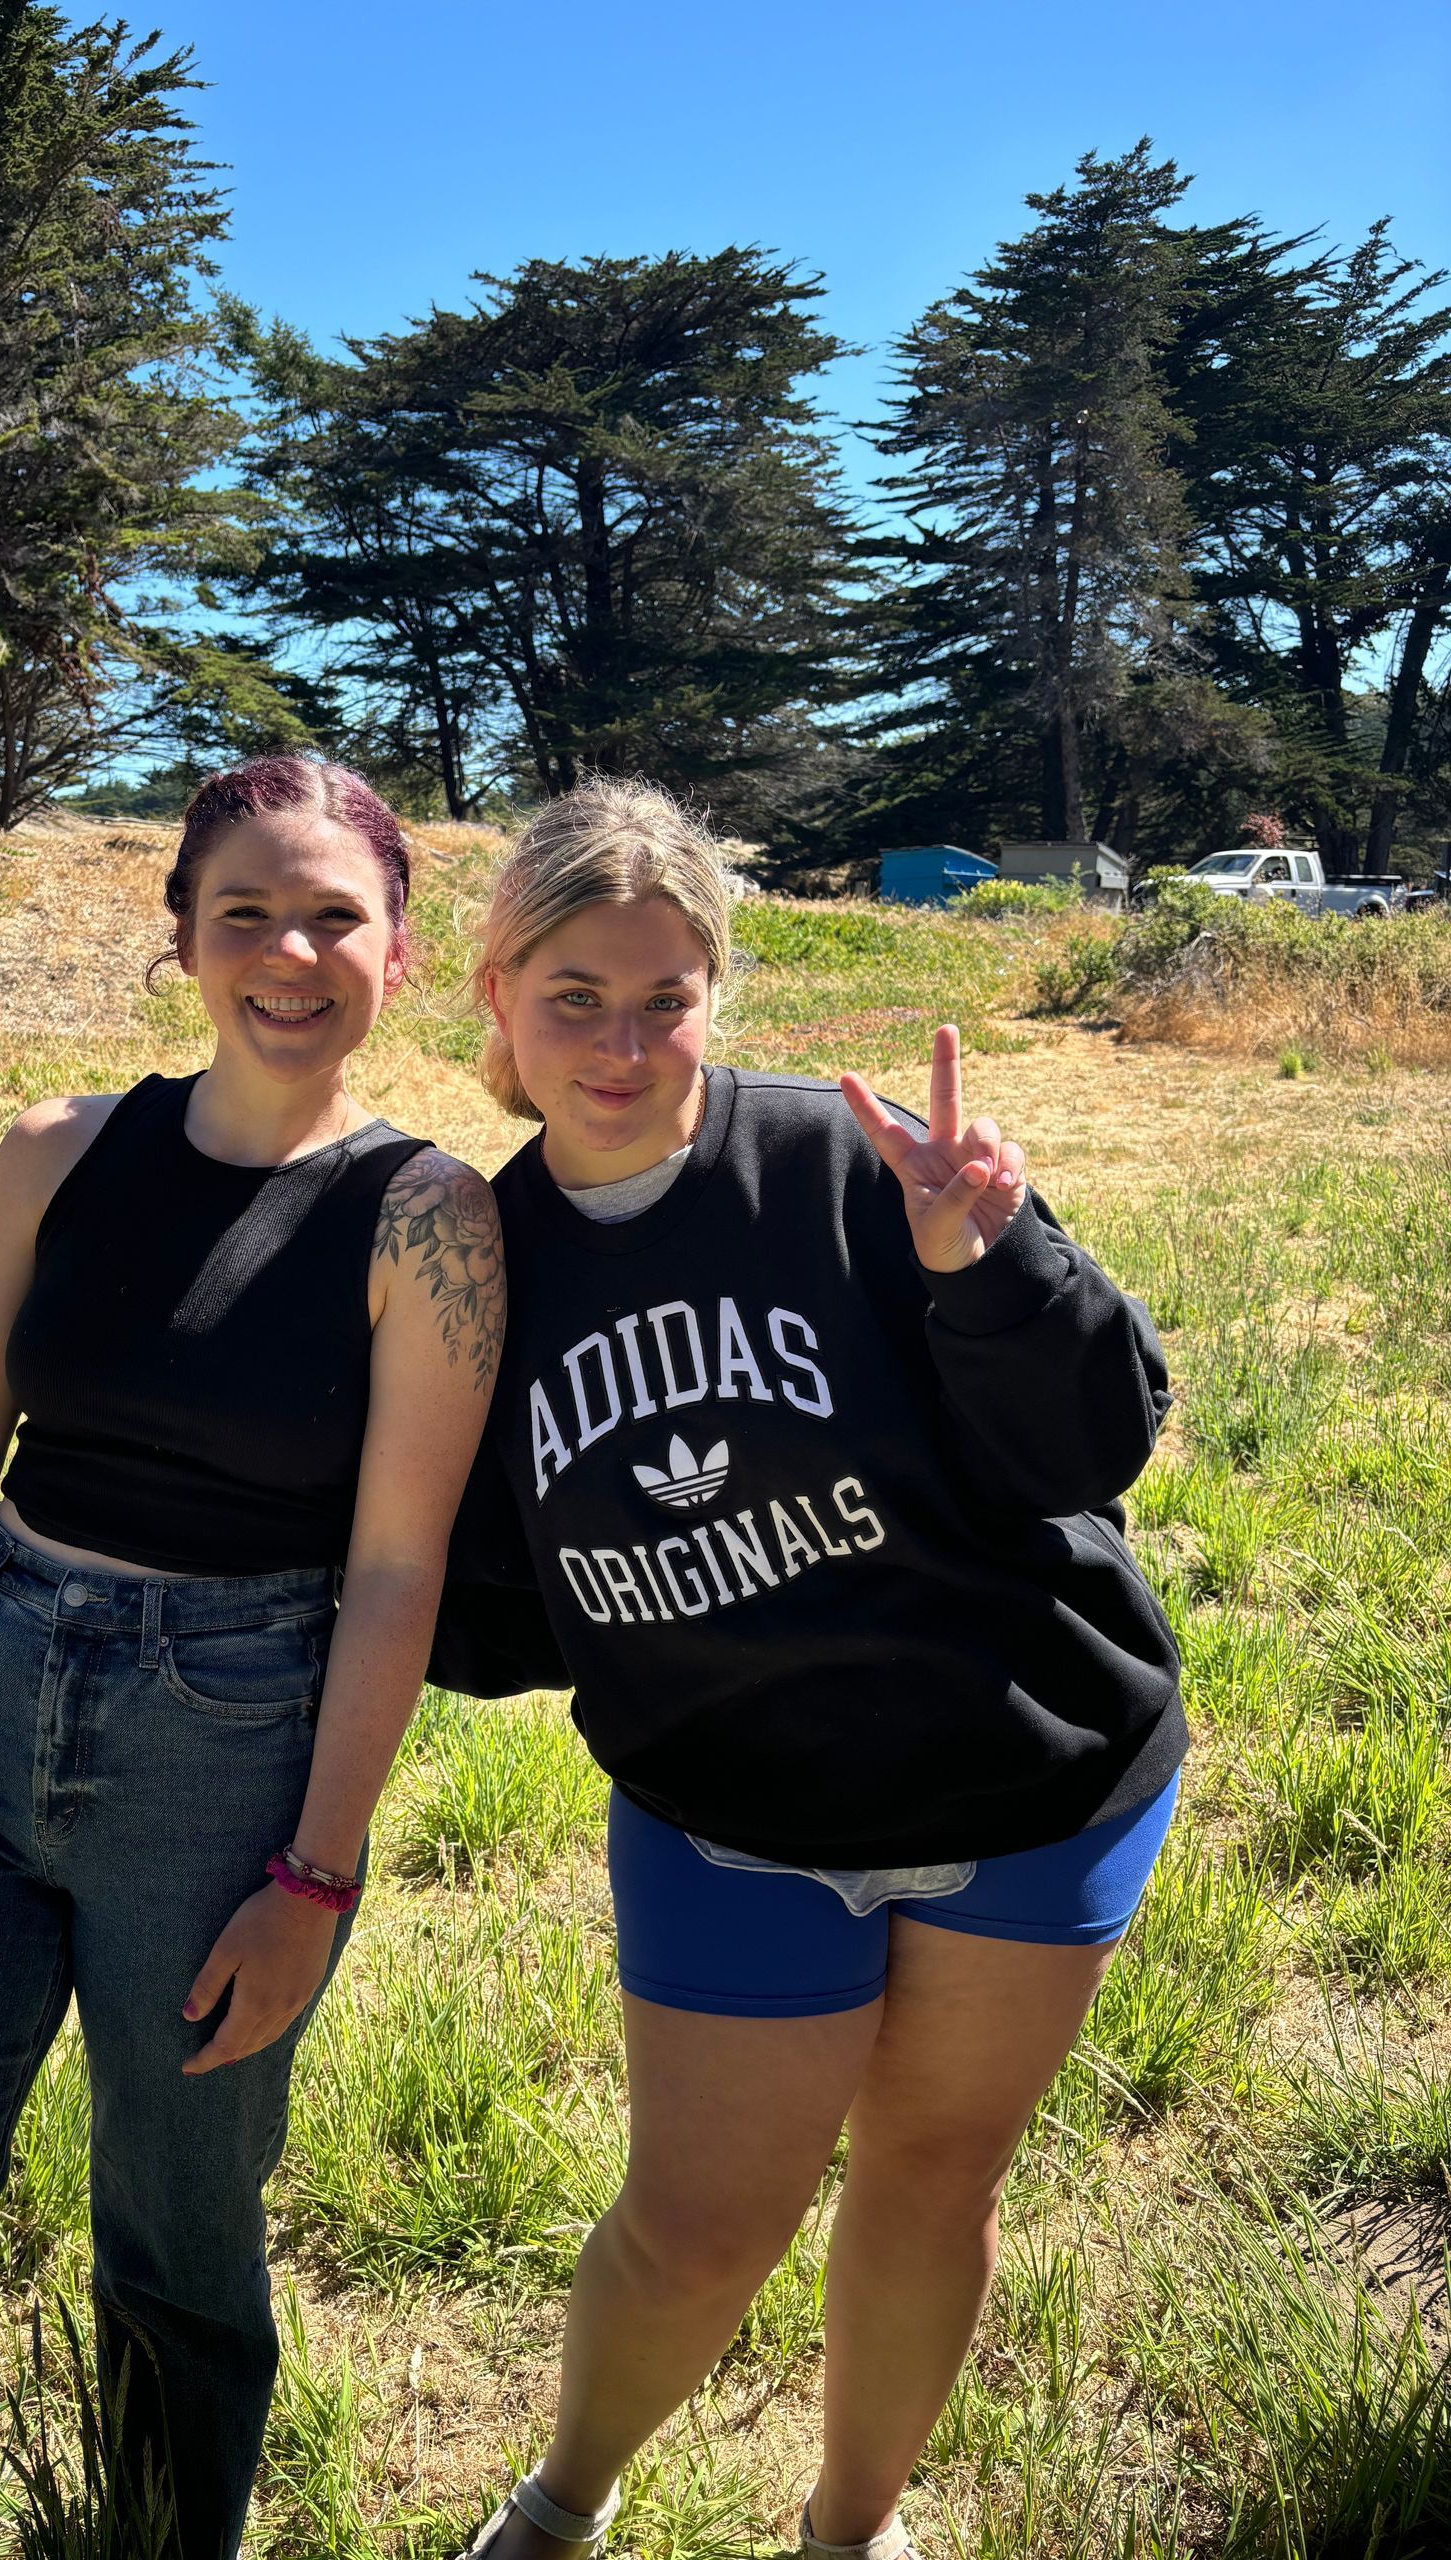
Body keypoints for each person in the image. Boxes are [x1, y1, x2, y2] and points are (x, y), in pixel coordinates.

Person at [0, 756, 504, 2560]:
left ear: (400, 947)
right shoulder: (58, 1154)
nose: (290, 950)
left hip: (228, 1760)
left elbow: (395, 1571)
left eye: (335, 914)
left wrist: (317, 1871)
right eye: (244, 910)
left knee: (182, 2257)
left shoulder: (427, 1219)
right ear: (179, 937)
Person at [432, 780, 1183, 2560]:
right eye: (575, 1000)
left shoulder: (858, 1164)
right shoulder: (469, 1252)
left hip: (1029, 1777)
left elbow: (1091, 1448)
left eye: (666, 999)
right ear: (495, 996)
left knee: (933, 2183)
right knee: (697, 2227)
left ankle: (851, 2537)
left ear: (717, 993)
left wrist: (987, 1266)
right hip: (735, 1811)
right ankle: (562, 2505)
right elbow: (491, 1605)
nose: (623, 1046)